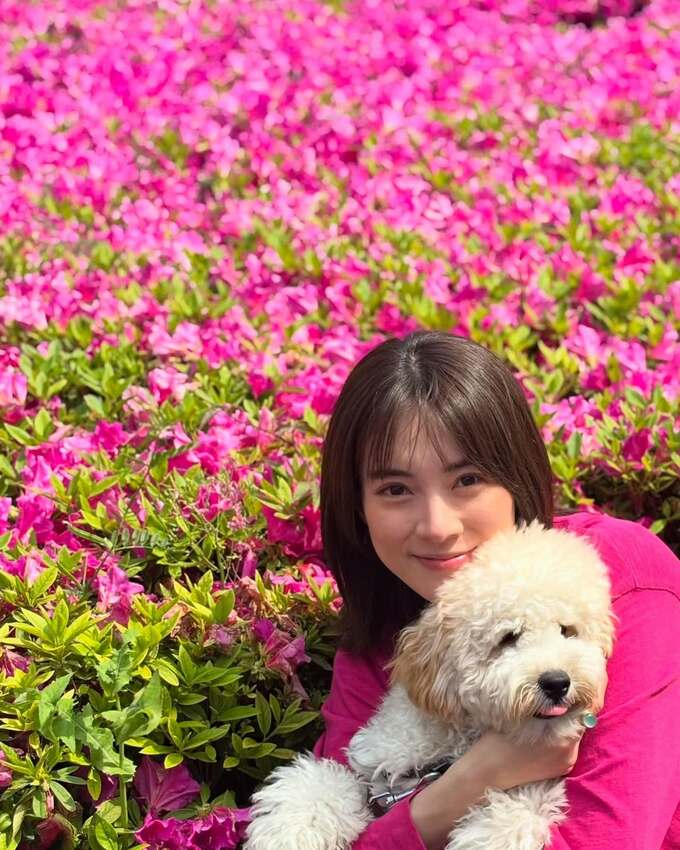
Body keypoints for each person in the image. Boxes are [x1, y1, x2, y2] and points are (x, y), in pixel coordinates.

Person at [314, 331, 680, 850]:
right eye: (395, 490)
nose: (438, 527)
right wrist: (476, 779)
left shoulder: (618, 578)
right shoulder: (379, 639)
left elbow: (609, 837)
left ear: (515, 476)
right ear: (359, 508)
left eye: (467, 480)